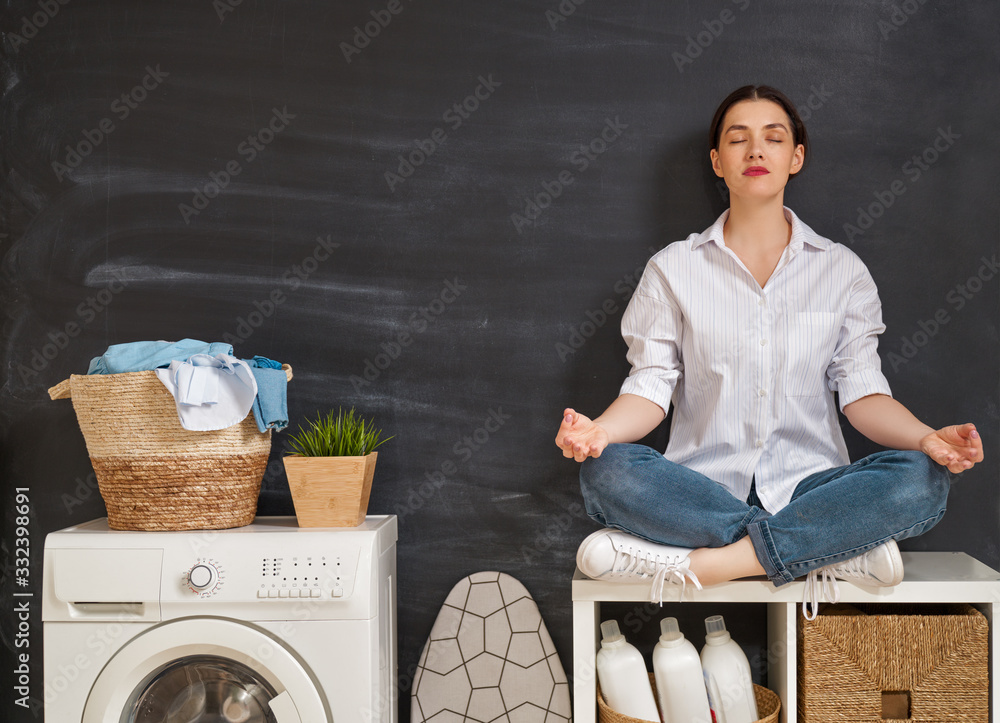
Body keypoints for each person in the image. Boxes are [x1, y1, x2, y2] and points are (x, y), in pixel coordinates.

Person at [555, 85, 983, 618]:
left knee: (922, 478)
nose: (756, 151)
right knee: (608, 470)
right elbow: (649, 386)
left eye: (773, 138)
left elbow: (863, 395)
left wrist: (926, 438)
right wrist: (600, 432)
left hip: (813, 489)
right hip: (698, 490)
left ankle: (717, 562)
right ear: (718, 161)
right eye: (738, 140)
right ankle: (824, 551)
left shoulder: (841, 270)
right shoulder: (673, 268)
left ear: (795, 157)